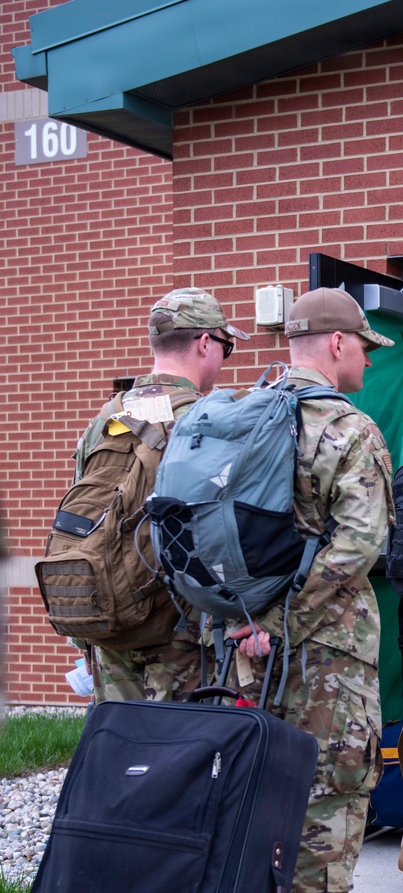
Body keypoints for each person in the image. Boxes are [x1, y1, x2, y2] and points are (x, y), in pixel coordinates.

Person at [227, 287, 395, 893]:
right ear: (333, 345)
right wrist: (283, 622)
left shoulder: (237, 414)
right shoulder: (347, 429)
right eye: (362, 344)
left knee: (255, 803)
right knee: (331, 805)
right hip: (323, 654)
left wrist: (243, 623)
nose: (365, 356)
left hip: (243, 655)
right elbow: (359, 547)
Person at [76, 287, 248, 703]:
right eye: (227, 347)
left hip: (109, 606)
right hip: (179, 620)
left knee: (121, 742)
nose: (224, 360)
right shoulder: (205, 417)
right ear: (206, 342)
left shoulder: (107, 416)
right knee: (181, 749)